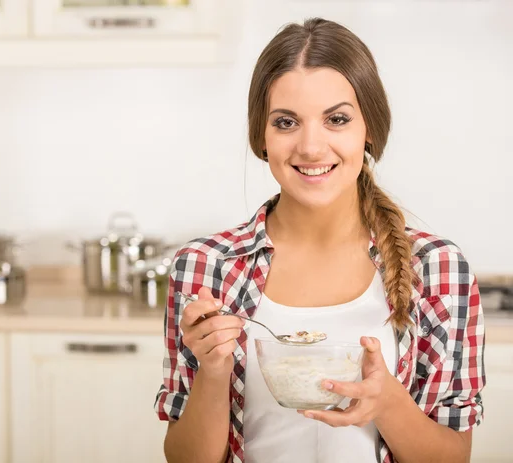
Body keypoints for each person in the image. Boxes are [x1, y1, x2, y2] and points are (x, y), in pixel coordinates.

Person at [154, 17, 485, 463]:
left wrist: (387, 403)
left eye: (337, 119)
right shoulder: (203, 267)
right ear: (262, 136)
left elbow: (453, 457)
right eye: (286, 122)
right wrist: (213, 370)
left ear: (369, 129)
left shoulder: (438, 268)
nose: (311, 147)